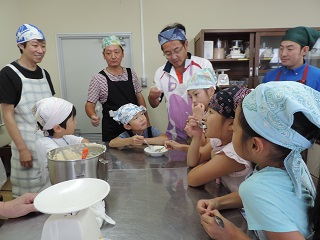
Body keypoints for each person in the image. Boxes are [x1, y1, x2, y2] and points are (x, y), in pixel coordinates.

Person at [197, 81, 320, 239]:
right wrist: (218, 202)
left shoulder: (255, 188)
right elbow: (266, 194)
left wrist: (232, 235)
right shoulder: (294, 161)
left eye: (234, 128)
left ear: (255, 145)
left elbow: (258, 192)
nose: (232, 131)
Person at [0, 24, 55, 198]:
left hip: (47, 144)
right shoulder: (9, 74)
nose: (40, 50)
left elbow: (52, 107)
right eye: (35, 45)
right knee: (27, 195)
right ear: (21, 46)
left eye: (43, 45)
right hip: (26, 145)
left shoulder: (45, 74)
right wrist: (23, 148)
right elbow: (7, 115)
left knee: (50, 189)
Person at [148, 23, 213, 143]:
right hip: (174, 134)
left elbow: (212, 98)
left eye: (177, 50)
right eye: (168, 53)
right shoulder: (160, 73)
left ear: (186, 45)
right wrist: (152, 97)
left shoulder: (203, 65)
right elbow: (154, 104)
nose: (173, 56)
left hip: (204, 133)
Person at [187, 86, 253, 192]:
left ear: (231, 124)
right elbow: (193, 161)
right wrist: (197, 136)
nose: (204, 118)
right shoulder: (220, 140)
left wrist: (212, 159)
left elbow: (192, 179)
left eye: (211, 112)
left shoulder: (233, 153)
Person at [85, 35, 149, 144]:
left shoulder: (131, 74)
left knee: (138, 158)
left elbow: (140, 98)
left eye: (117, 52)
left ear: (122, 53)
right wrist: (93, 115)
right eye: (108, 53)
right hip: (112, 130)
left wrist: (147, 123)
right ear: (104, 55)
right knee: (113, 159)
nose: (113, 56)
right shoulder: (98, 78)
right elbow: (89, 104)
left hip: (135, 128)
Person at [32, 97, 89, 190]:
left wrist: (85, 146)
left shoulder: (65, 137)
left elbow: (84, 142)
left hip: (69, 184)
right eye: (73, 119)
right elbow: (62, 159)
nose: (76, 122)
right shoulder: (43, 143)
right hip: (54, 188)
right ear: (58, 128)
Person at [165, 68, 218, 152]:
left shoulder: (218, 115)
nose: (193, 100)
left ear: (211, 91)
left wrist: (198, 120)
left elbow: (205, 149)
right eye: (190, 97)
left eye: (196, 94)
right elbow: (198, 147)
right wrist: (192, 133)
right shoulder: (203, 112)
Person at [263, 26, 320, 91]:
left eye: (290, 49)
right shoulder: (270, 76)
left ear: (304, 50)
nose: (283, 54)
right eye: (281, 49)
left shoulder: (317, 76)